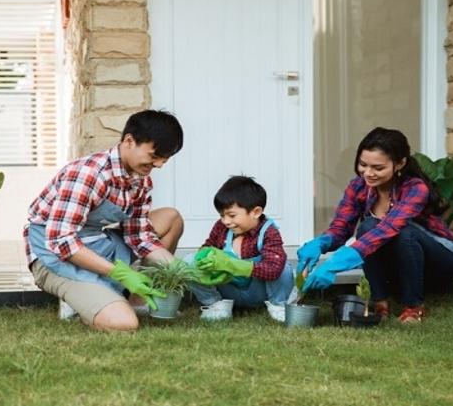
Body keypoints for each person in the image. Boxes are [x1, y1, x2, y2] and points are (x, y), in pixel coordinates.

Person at [23, 110, 185, 332]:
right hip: (53, 254)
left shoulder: (141, 181)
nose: (159, 165)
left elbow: (140, 237)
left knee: (170, 218)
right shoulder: (88, 174)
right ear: (129, 141)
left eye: (164, 159)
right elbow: (62, 241)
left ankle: (136, 300)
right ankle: (79, 296)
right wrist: (121, 273)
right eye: (154, 156)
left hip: (96, 242)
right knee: (123, 323)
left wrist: (180, 270)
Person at [297, 127, 453, 323]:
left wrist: (336, 263)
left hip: (440, 265)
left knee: (402, 233)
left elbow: (388, 229)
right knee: (368, 226)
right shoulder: (358, 187)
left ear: (400, 163)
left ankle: (413, 307)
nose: (368, 173)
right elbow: (341, 228)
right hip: (399, 268)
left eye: (378, 168)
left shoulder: (414, 188)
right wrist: (321, 243)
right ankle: (380, 302)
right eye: (363, 165)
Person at [187, 176, 292, 322]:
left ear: (255, 212)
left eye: (232, 215)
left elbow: (273, 269)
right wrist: (208, 258)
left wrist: (234, 265)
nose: (226, 221)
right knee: (190, 261)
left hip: (259, 291)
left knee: (283, 266)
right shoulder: (221, 227)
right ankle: (215, 305)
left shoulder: (269, 231)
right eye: (222, 215)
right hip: (229, 288)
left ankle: (278, 306)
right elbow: (207, 246)